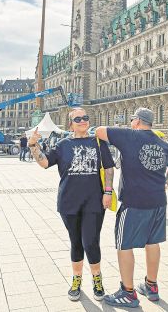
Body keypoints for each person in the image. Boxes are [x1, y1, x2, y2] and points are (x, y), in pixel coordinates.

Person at [95, 107, 168, 308]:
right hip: (158, 201)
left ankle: (128, 292)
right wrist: (167, 181)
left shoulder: (129, 136)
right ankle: (151, 286)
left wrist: (124, 130)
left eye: (132, 118)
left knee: (124, 245)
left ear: (137, 121)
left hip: (134, 202)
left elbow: (99, 130)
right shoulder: (162, 142)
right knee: (153, 242)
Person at [28, 108, 115, 302]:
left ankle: (97, 279)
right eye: (78, 119)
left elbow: (109, 168)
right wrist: (33, 145)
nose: (83, 121)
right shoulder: (62, 144)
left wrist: (108, 192)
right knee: (76, 242)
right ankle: (76, 280)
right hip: (68, 201)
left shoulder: (98, 143)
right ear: (71, 124)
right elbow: (44, 163)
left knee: (91, 242)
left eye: (85, 118)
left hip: (94, 200)